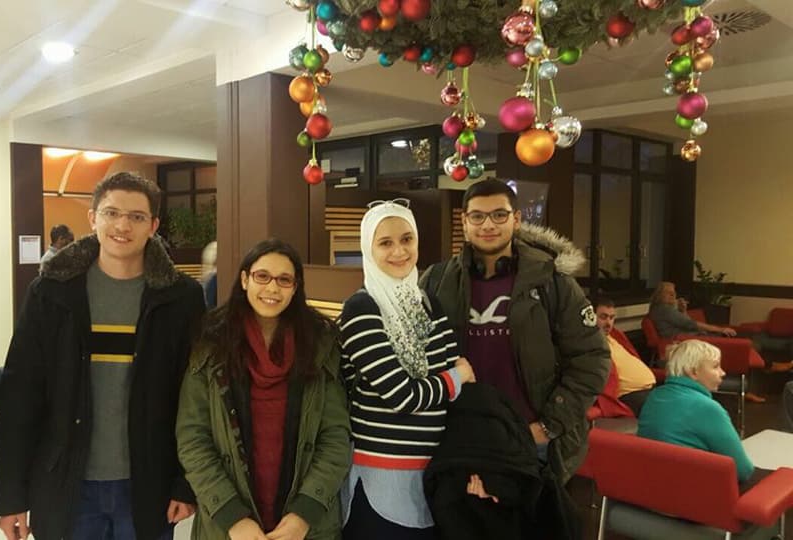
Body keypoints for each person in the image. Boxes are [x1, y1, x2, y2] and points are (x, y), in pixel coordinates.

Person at [0, 172, 205, 540]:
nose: (122, 226)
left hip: (148, 484)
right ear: (93, 218)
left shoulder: (180, 298)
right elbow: (21, 394)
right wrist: (12, 493)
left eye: (136, 216)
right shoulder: (52, 292)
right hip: (66, 483)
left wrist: (185, 482)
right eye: (111, 213)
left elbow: (194, 397)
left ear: (153, 226)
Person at [420, 179, 610, 484]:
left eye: (499, 215)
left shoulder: (552, 281)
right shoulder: (436, 281)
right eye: (477, 216)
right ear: (465, 222)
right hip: (459, 439)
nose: (488, 225)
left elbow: (592, 359)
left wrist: (548, 427)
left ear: (517, 219)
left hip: (532, 442)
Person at [176, 239, 351, 540]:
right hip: (228, 527)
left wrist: (304, 514)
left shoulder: (320, 345)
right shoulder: (211, 344)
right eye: (262, 276)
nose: (272, 288)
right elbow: (193, 438)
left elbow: (335, 436)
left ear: (295, 288)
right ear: (245, 279)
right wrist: (232, 517)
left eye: (284, 280)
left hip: (305, 527)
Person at [339, 199, 475, 539]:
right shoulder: (361, 308)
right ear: (368, 249)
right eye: (385, 243)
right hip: (380, 481)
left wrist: (452, 379)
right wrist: (455, 378)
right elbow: (403, 396)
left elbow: (452, 377)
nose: (399, 251)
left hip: (432, 478)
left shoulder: (425, 302)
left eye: (407, 239)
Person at [637, 340, 755, 483]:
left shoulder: (655, 396)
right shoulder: (707, 408)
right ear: (693, 372)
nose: (723, 373)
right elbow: (742, 471)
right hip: (694, 489)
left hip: (651, 483)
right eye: (715, 366)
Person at [595, 299, 656, 415]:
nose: (608, 323)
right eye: (603, 317)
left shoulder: (615, 336)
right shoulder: (591, 343)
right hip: (631, 395)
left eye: (611, 318)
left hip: (650, 388)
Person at [648, 281, 736, 338]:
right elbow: (690, 324)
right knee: (725, 335)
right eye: (668, 292)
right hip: (684, 341)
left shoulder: (663, 308)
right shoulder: (664, 310)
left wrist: (683, 310)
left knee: (726, 335)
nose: (673, 295)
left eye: (673, 292)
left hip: (690, 337)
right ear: (659, 295)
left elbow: (687, 322)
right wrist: (721, 329)